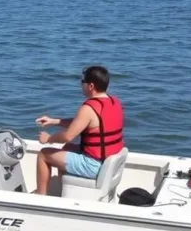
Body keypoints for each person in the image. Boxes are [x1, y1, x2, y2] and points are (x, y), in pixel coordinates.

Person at [34, 65, 125, 195]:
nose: (81, 85)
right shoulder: (114, 101)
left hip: (94, 165)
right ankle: (62, 193)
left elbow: (67, 136)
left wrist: (48, 139)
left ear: (91, 86)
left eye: (83, 82)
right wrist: (54, 121)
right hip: (108, 159)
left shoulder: (88, 108)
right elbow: (82, 123)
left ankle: (40, 196)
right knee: (67, 148)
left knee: (43, 154)